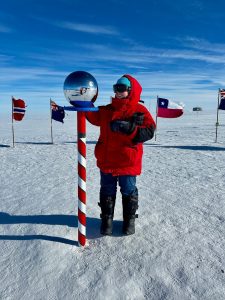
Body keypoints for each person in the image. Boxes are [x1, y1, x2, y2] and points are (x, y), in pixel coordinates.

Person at [86, 74, 156, 236]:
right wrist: (83, 102)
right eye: (116, 88)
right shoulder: (107, 110)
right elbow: (91, 115)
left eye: (122, 88)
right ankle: (107, 222)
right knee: (107, 190)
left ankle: (129, 223)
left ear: (130, 90)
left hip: (128, 162)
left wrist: (131, 129)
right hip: (107, 160)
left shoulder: (139, 110)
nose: (118, 92)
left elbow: (149, 131)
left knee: (129, 191)